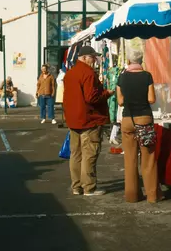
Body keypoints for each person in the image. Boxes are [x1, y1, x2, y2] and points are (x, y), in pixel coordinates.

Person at [63, 46, 113, 196]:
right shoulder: (88, 73)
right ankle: (88, 187)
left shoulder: (70, 73)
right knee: (89, 154)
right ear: (84, 58)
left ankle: (76, 186)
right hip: (89, 119)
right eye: (92, 57)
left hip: (74, 119)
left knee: (76, 154)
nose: (95, 59)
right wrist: (107, 94)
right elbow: (92, 97)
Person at [117, 50, 163, 203]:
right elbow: (151, 99)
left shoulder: (122, 77)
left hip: (127, 119)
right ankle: (152, 196)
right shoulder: (147, 76)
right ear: (141, 61)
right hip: (143, 118)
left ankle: (132, 196)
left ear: (129, 62)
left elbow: (120, 101)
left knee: (130, 160)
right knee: (148, 158)